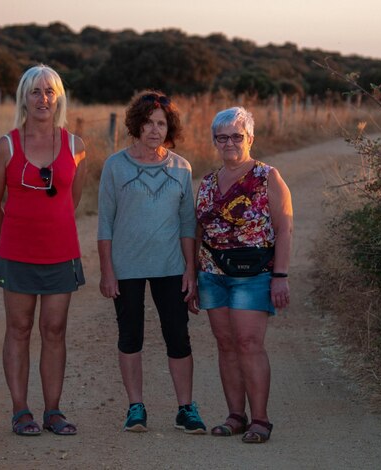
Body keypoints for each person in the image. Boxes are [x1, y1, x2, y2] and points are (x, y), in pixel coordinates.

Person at [0, 64, 87, 436]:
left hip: (61, 253)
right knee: (19, 328)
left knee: (55, 329)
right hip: (17, 255)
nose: (43, 99)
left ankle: (54, 411)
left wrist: (48, 232)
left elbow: (70, 201)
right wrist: (11, 240)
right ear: (23, 98)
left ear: (58, 97)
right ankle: (20, 411)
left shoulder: (75, 146)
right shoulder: (6, 144)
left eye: (49, 91)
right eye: (35, 92)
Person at [97, 90, 206, 434]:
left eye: (160, 123)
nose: (154, 129)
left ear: (168, 127)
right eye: (147, 122)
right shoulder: (115, 166)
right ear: (136, 125)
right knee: (130, 336)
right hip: (126, 267)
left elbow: (188, 225)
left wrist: (191, 270)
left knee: (178, 336)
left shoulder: (181, 168)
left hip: (171, 267)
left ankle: (186, 408)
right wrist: (107, 271)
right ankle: (135, 407)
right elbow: (104, 223)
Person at [195, 107, 293, 443]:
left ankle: (261, 420)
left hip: (254, 275)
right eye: (222, 137)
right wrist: (192, 273)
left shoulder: (268, 177)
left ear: (250, 138)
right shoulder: (207, 182)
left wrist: (280, 275)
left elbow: (285, 228)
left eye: (237, 136)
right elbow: (197, 230)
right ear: (214, 142)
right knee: (225, 345)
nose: (229, 143)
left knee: (249, 344)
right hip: (212, 273)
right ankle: (235, 415)